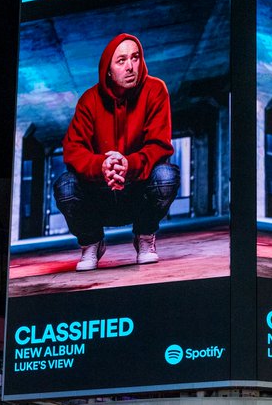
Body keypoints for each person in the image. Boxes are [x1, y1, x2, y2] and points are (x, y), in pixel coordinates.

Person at [54, 33, 180, 271]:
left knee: (166, 176)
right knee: (65, 185)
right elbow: (73, 149)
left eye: (135, 57)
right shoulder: (89, 100)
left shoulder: (155, 90)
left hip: (138, 190)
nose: (130, 66)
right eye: (121, 60)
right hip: (99, 194)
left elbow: (159, 145)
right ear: (108, 70)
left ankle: (144, 236)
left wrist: (128, 165)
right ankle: (92, 242)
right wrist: (101, 166)